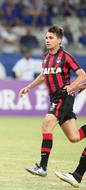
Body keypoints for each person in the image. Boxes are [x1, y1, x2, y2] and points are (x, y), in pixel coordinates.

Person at [18, 25, 86, 177]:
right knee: (74, 137)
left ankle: (42, 167)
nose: (47, 40)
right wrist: (28, 87)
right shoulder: (46, 57)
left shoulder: (66, 56)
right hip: (55, 98)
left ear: (59, 40)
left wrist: (71, 87)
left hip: (64, 97)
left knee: (47, 124)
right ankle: (42, 168)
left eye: (51, 38)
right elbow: (44, 75)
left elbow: (82, 75)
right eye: (46, 37)